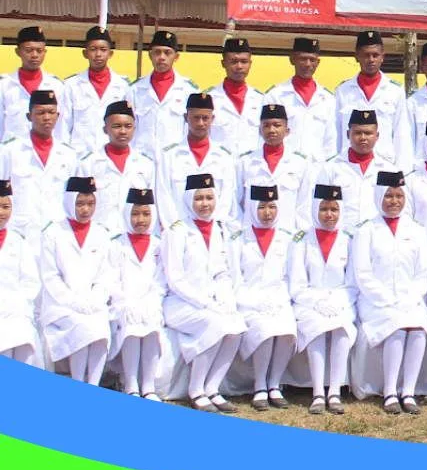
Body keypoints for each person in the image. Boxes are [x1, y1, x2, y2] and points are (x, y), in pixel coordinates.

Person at [162, 173, 246, 412]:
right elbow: (175, 278)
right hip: (180, 303)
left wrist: (225, 299)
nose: (205, 203)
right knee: (215, 324)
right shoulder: (176, 231)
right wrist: (204, 302)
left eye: (209, 197)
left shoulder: (220, 229)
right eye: (199, 198)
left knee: (237, 327)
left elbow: (223, 271)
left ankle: (212, 388)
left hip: (213, 301)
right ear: (189, 200)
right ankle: (196, 390)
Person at [353, 171, 427, 415]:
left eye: (399, 196)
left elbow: (423, 274)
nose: (394, 201)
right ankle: (389, 392)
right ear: (378, 197)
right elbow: (363, 273)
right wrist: (386, 298)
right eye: (388, 196)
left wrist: (410, 297)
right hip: (375, 301)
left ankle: (408, 391)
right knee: (397, 327)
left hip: (409, 299)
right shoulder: (366, 230)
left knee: (419, 328)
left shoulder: (417, 230)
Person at [287, 184, 357, 416]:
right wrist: (316, 302)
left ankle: (335, 391)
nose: (329, 215)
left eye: (334, 210)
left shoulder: (348, 239)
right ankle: (318, 391)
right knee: (316, 327)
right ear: (315, 210)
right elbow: (296, 285)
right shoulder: (301, 241)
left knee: (342, 329)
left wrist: (339, 302)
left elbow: (353, 283)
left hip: (341, 300)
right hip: (309, 302)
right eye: (324, 209)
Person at [230, 185, 298, 412]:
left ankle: (274, 384)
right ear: (251, 208)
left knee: (288, 329)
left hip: (278, 297)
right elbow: (234, 277)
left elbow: (290, 276)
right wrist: (252, 301)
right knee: (265, 329)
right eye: (261, 207)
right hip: (248, 299)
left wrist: (280, 299)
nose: (267, 213)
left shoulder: (287, 237)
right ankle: (260, 385)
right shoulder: (238, 238)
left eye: (271, 207)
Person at [40, 176, 112, 386]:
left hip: (93, 303)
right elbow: (50, 276)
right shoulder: (53, 232)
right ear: (69, 202)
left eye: (90, 203)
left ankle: (94, 384)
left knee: (100, 329)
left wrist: (95, 300)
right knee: (83, 328)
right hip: (60, 304)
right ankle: (79, 382)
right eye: (80, 203)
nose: (85, 210)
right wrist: (73, 302)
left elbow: (104, 275)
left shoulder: (101, 233)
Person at [107, 188, 166, 401]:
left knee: (151, 325)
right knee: (131, 326)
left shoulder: (159, 244)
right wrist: (125, 301)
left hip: (150, 302)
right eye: (135, 214)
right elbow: (111, 279)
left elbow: (161, 279)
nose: (140, 219)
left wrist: (152, 299)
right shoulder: (116, 244)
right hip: (123, 303)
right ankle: (131, 384)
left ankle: (148, 386)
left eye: (146, 214)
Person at [0, 89, 78, 237]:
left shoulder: (69, 155)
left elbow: (74, 199)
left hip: (57, 232)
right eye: (40, 113)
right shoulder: (9, 151)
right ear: (29, 116)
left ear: (58, 116)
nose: (47, 117)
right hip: (20, 232)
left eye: (51, 112)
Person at [155, 93, 238, 230]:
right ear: (186, 118)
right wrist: (176, 229)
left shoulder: (224, 156)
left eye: (205, 118)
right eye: (196, 118)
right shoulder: (170, 155)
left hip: (213, 232)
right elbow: (164, 195)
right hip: (179, 230)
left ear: (212, 119)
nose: (201, 123)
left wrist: (214, 227)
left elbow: (226, 196)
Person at [334, 31, 412, 170]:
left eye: (375, 55)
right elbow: (336, 132)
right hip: (349, 165)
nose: (371, 60)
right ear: (357, 57)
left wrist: (402, 172)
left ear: (383, 57)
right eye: (366, 55)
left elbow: (402, 134)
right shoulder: (343, 91)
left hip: (385, 164)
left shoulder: (395, 90)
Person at [305, 111, 398, 227]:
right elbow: (317, 207)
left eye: (368, 133)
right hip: (342, 239)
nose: (363, 138)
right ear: (348, 134)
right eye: (358, 133)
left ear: (377, 136)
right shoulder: (331, 168)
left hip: (375, 235)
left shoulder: (389, 170)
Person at [76, 101, 155, 234]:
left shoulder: (146, 164)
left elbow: (152, 206)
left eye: (128, 126)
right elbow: (80, 203)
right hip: (99, 235)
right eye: (117, 126)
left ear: (134, 129)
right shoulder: (88, 164)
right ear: (105, 129)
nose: (123, 131)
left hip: (132, 236)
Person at [236, 104, 309, 233]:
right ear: (259, 130)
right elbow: (236, 203)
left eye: (277, 125)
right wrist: (242, 230)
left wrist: (299, 234)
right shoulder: (245, 162)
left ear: (287, 130)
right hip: (252, 236)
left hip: (287, 235)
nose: (271, 130)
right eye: (266, 125)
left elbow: (303, 205)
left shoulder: (300, 163)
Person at [126, 30, 198, 159]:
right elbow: (128, 126)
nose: (162, 57)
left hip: (176, 159)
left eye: (167, 52)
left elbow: (193, 129)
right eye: (157, 52)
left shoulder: (189, 90)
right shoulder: (135, 89)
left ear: (176, 57)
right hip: (142, 159)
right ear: (150, 55)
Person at [264, 37, 337, 162]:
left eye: (312, 60)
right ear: (292, 59)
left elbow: (331, 141)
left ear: (318, 62)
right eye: (303, 59)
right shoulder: (275, 95)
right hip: (285, 167)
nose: (308, 64)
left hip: (317, 168)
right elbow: (264, 135)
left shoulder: (328, 99)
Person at [63, 25, 130, 155]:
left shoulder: (123, 86)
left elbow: (129, 125)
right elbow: (64, 126)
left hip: (111, 156)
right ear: (85, 53)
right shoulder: (71, 85)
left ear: (110, 53)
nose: (98, 54)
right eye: (93, 49)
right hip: (79, 156)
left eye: (103, 49)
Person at [0, 26, 67, 141]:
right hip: (12, 153)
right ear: (18, 52)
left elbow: (62, 126)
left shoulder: (56, 86)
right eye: (29, 50)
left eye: (39, 51)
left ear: (45, 52)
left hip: (46, 152)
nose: (35, 55)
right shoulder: (4, 85)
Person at [0, 180, 40, 367]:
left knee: (22, 333)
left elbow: (30, 281)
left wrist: (16, 303)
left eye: (6, 206)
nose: (2, 212)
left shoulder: (19, 241)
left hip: (15, 308)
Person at [207, 37, 263, 159]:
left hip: (252, 167)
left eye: (244, 61)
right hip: (219, 166)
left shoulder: (261, 100)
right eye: (233, 61)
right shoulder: (209, 99)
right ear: (223, 63)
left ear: (250, 64)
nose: (239, 66)